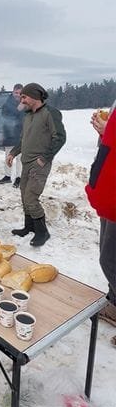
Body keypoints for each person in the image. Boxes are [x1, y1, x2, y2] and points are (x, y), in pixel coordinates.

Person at [7, 83, 66, 246]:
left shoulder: (50, 113)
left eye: (24, 96)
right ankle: (29, 227)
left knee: (31, 197)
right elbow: (23, 140)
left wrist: (44, 158)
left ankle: (42, 232)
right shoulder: (28, 115)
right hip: (26, 162)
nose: (21, 99)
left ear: (34, 97)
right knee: (24, 193)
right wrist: (13, 152)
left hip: (39, 164)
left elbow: (60, 138)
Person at [87, 108, 116, 341]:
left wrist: (110, 131)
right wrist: (104, 132)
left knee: (110, 259)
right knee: (107, 255)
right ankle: (114, 304)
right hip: (109, 192)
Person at [0, 84, 24, 187]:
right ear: (13, 92)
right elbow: (5, 117)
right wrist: (17, 110)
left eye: (20, 93)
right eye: (16, 93)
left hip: (21, 135)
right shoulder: (7, 104)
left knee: (20, 158)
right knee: (8, 156)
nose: (18, 95)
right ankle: (7, 176)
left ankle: (19, 178)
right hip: (9, 134)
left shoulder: (26, 104)